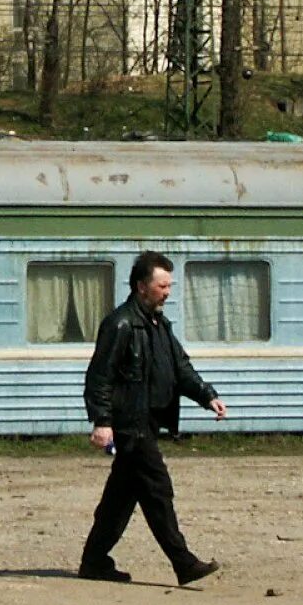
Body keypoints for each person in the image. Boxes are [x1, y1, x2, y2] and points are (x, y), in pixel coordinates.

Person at [78, 249, 227, 585]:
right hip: (131, 425)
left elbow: (180, 368)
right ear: (141, 287)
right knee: (158, 490)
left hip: (148, 423)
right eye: (162, 286)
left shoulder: (159, 326)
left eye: (169, 285)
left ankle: (94, 561)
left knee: (121, 498)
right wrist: (102, 422)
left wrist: (208, 395)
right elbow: (99, 377)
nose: (168, 292)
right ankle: (184, 563)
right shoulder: (120, 324)